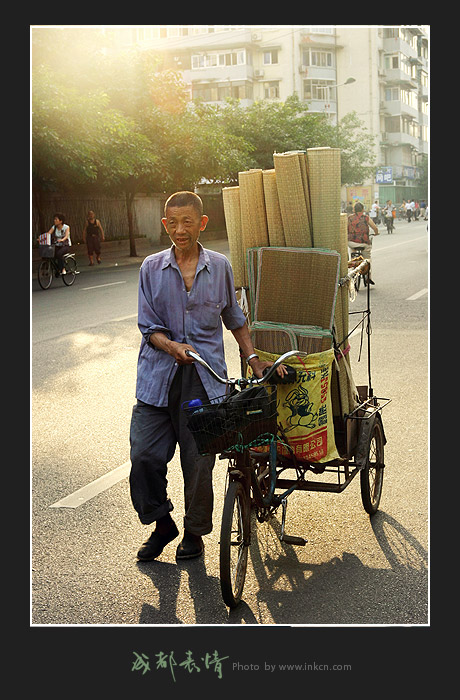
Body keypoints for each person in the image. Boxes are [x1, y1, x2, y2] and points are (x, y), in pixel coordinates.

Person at [129, 191, 285, 562]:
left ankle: (195, 533)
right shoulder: (151, 268)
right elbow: (148, 327)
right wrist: (172, 347)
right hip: (157, 380)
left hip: (205, 380)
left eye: (188, 223)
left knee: (197, 464)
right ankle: (162, 524)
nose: (179, 230)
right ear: (165, 224)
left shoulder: (220, 267)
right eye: (173, 223)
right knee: (144, 457)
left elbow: (235, 319)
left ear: (202, 223)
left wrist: (253, 359)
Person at [347, 201, 379, 284]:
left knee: (353, 255)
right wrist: (376, 233)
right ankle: (368, 276)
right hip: (364, 243)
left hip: (351, 243)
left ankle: (353, 269)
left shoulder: (349, 218)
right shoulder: (366, 218)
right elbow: (375, 228)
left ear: (354, 210)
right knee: (367, 259)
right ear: (363, 209)